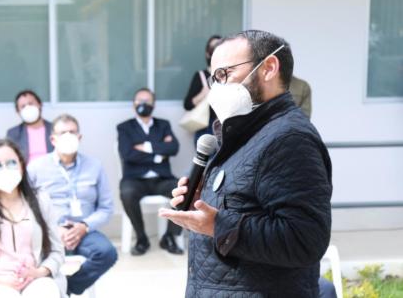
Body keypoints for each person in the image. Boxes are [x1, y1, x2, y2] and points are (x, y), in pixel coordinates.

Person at [160, 30, 332, 297]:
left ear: (269, 68)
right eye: (213, 78)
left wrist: (218, 226)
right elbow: (243, 206)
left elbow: (304, 240)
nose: (217, 88)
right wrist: (203, 199)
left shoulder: (289, 138)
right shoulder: (244, 133)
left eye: (224, 74)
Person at [0, 139, 66, 298]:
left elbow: (57, 251)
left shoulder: (42, 200)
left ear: (22, 165)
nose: (5, 169)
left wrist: (38, 272)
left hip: (37, 279)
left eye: (12, 162)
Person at [28, 114, 117, 295]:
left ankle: (68, 287)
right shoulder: (36, 168)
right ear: (53, 139)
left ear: (79, 137)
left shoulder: (95, 166)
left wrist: (85, 226)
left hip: (84, 231)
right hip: (49, 232)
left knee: (107, 253)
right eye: (63, 132)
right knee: (31, 256)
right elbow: (27, 206)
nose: (68, 136)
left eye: (72, 132)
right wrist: (52, 229)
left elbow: (106, 208)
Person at [117, 88, 183, 256]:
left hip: (162, 179)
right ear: (133, 104)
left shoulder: (163, 125)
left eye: (147, 101)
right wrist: (159, 155)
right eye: (139, 101)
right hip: (135, 179)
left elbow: (173, 148)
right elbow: (127, 154)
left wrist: (146, 147)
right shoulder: (124, 128)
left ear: (153, 105)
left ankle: (169, 236)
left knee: (183, 191)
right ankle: (141, 238)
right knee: (126, 193)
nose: (143, 104)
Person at [183, 35, 222, 146]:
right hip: (206, 126)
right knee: (205, 162)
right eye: (213, 46)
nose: (217, 49)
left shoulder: (230, 74)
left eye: (220, 45)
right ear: (207, 53)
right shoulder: (201, 76)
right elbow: (187, 105)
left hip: (226, 124)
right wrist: (203, 93)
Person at [6, 90, 53, 163]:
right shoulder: (13, 133)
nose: (28, 108)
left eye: (30, 104)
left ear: (39, 104)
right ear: (18, 111)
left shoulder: (55, 129)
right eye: (23, 106)